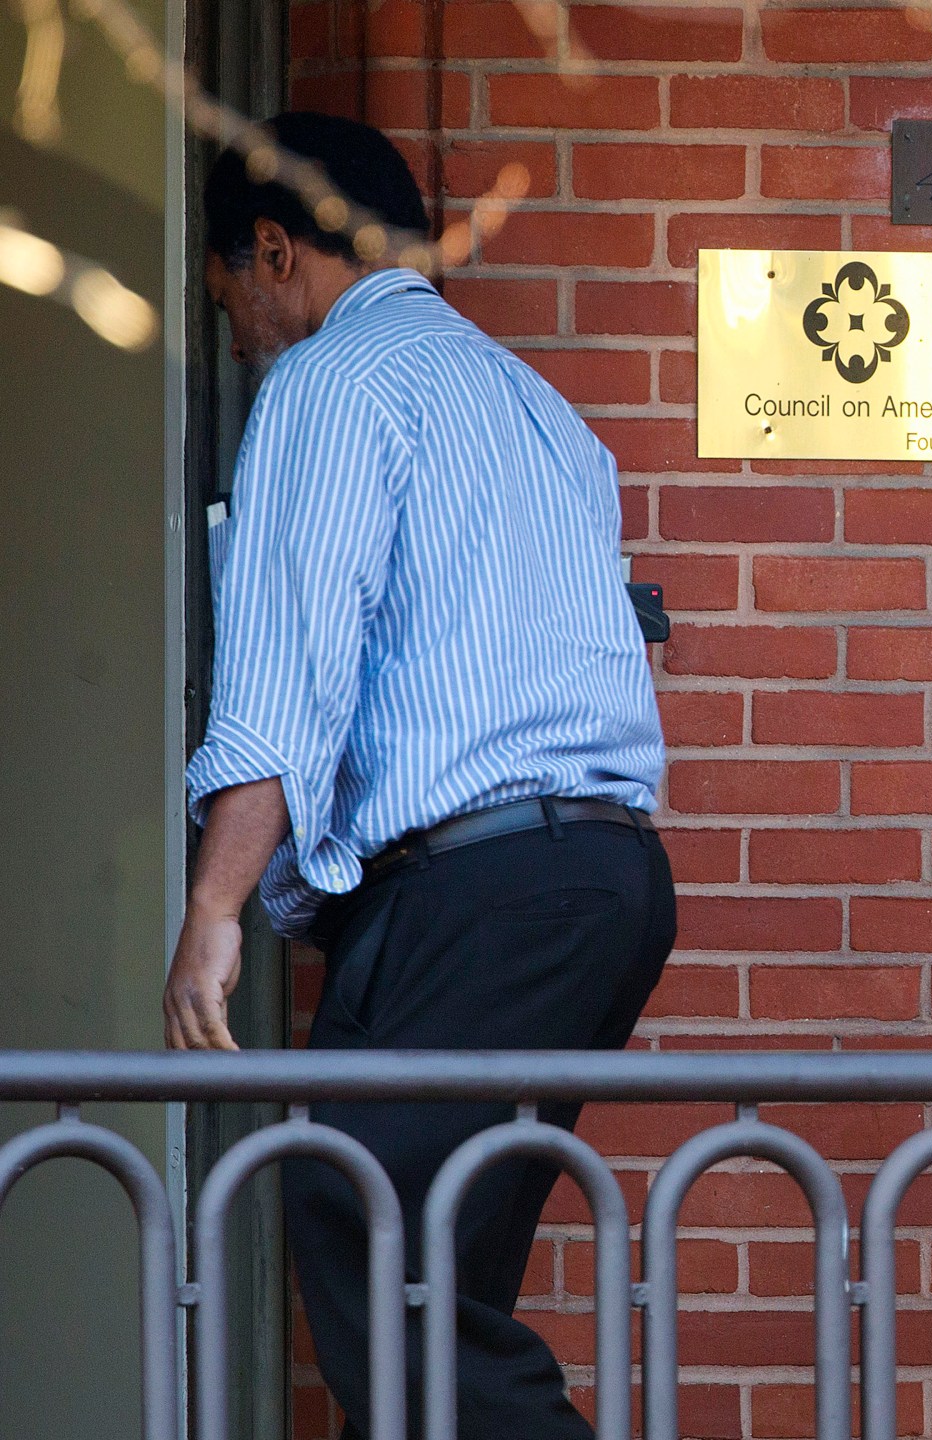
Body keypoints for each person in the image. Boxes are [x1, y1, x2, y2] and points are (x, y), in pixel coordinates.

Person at [164, 112, 675, 1439]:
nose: (237, 336)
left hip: (477, 888)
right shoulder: (538, 405)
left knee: (361, 1226)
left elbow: (290, 666)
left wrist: (214, 910)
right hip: (603, 877)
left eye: (228, 295)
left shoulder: (332, 384)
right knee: (428, 1272)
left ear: (276, 250)